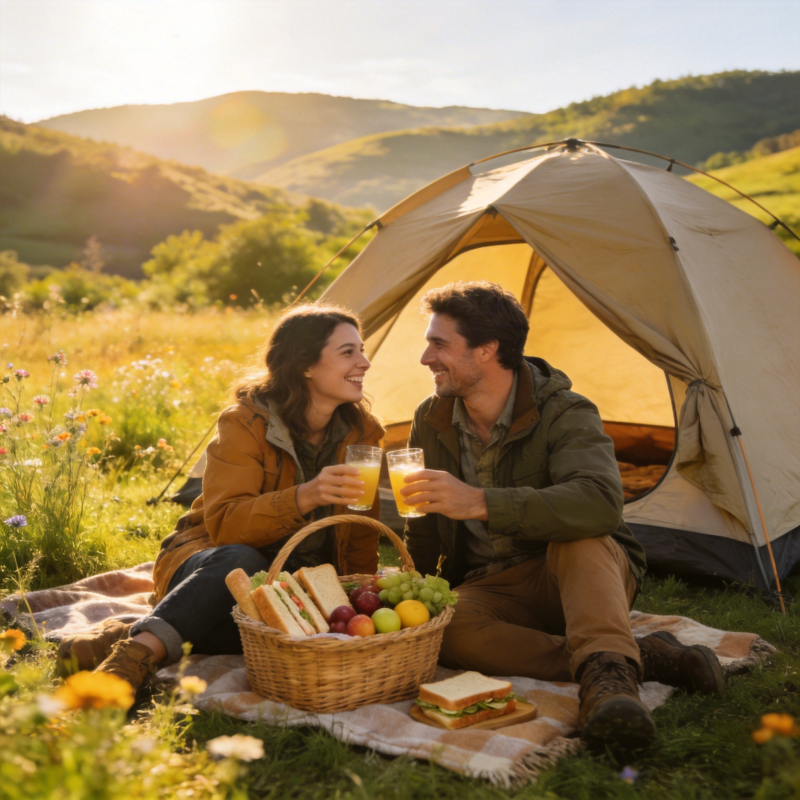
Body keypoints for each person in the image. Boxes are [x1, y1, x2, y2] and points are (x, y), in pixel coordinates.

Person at [399, 281, 724, 752]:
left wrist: (479, 502)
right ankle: (633, 658)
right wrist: (412, 588)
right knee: (444, 627)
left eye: (439, 344)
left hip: (577, 571)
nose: (426, 358)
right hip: (495, 585)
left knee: (581, 536)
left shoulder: (566, 412)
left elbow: (599, 503)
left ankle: (609, 692)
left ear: (487, 349)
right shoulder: (432, 415)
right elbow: (425, 517)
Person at [58, 304, 383, 690]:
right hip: (212, 562)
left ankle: (127, 635)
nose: (364, 361)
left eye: (361, 349)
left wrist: (359, 593)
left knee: (299, 627)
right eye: (348, 352)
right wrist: (302, 497)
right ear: (304, 365)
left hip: (290, 579)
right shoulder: (244, 423)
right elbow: (227, 526)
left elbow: (361, 528)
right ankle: (130, 661)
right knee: (242, 564)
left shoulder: (362, 430)